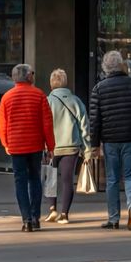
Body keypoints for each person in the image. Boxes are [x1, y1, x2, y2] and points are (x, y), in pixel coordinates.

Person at [89, 50, 131, 231]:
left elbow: (95, 119)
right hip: (130, 136)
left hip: (110, 139)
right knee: (130, 175)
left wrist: (94, 143)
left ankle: (113, 218)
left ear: (105, 68)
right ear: (121, 64)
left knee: (112, 179)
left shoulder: (99, 89)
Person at [0, 64, 55, 232]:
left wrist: (5, 143)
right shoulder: (39, 95)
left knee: (20, 182)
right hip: (35, 144)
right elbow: (47, 124)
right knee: (35, 179)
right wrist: (50, 146)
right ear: (29, 76)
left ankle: (26, 219)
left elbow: (2, 124)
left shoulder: (7, 97)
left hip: (16, 145)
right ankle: (36, 217)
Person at [44, 68, 91, 225]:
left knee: (51, 179)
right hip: (71, 146)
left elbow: (43, 125)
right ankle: (64, 214)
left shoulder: (47, 101)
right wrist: (87, 150)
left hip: (52, 147)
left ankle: (52, 209)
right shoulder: (76, 101)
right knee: (67, 180)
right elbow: (84, 127)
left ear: (51, 84)